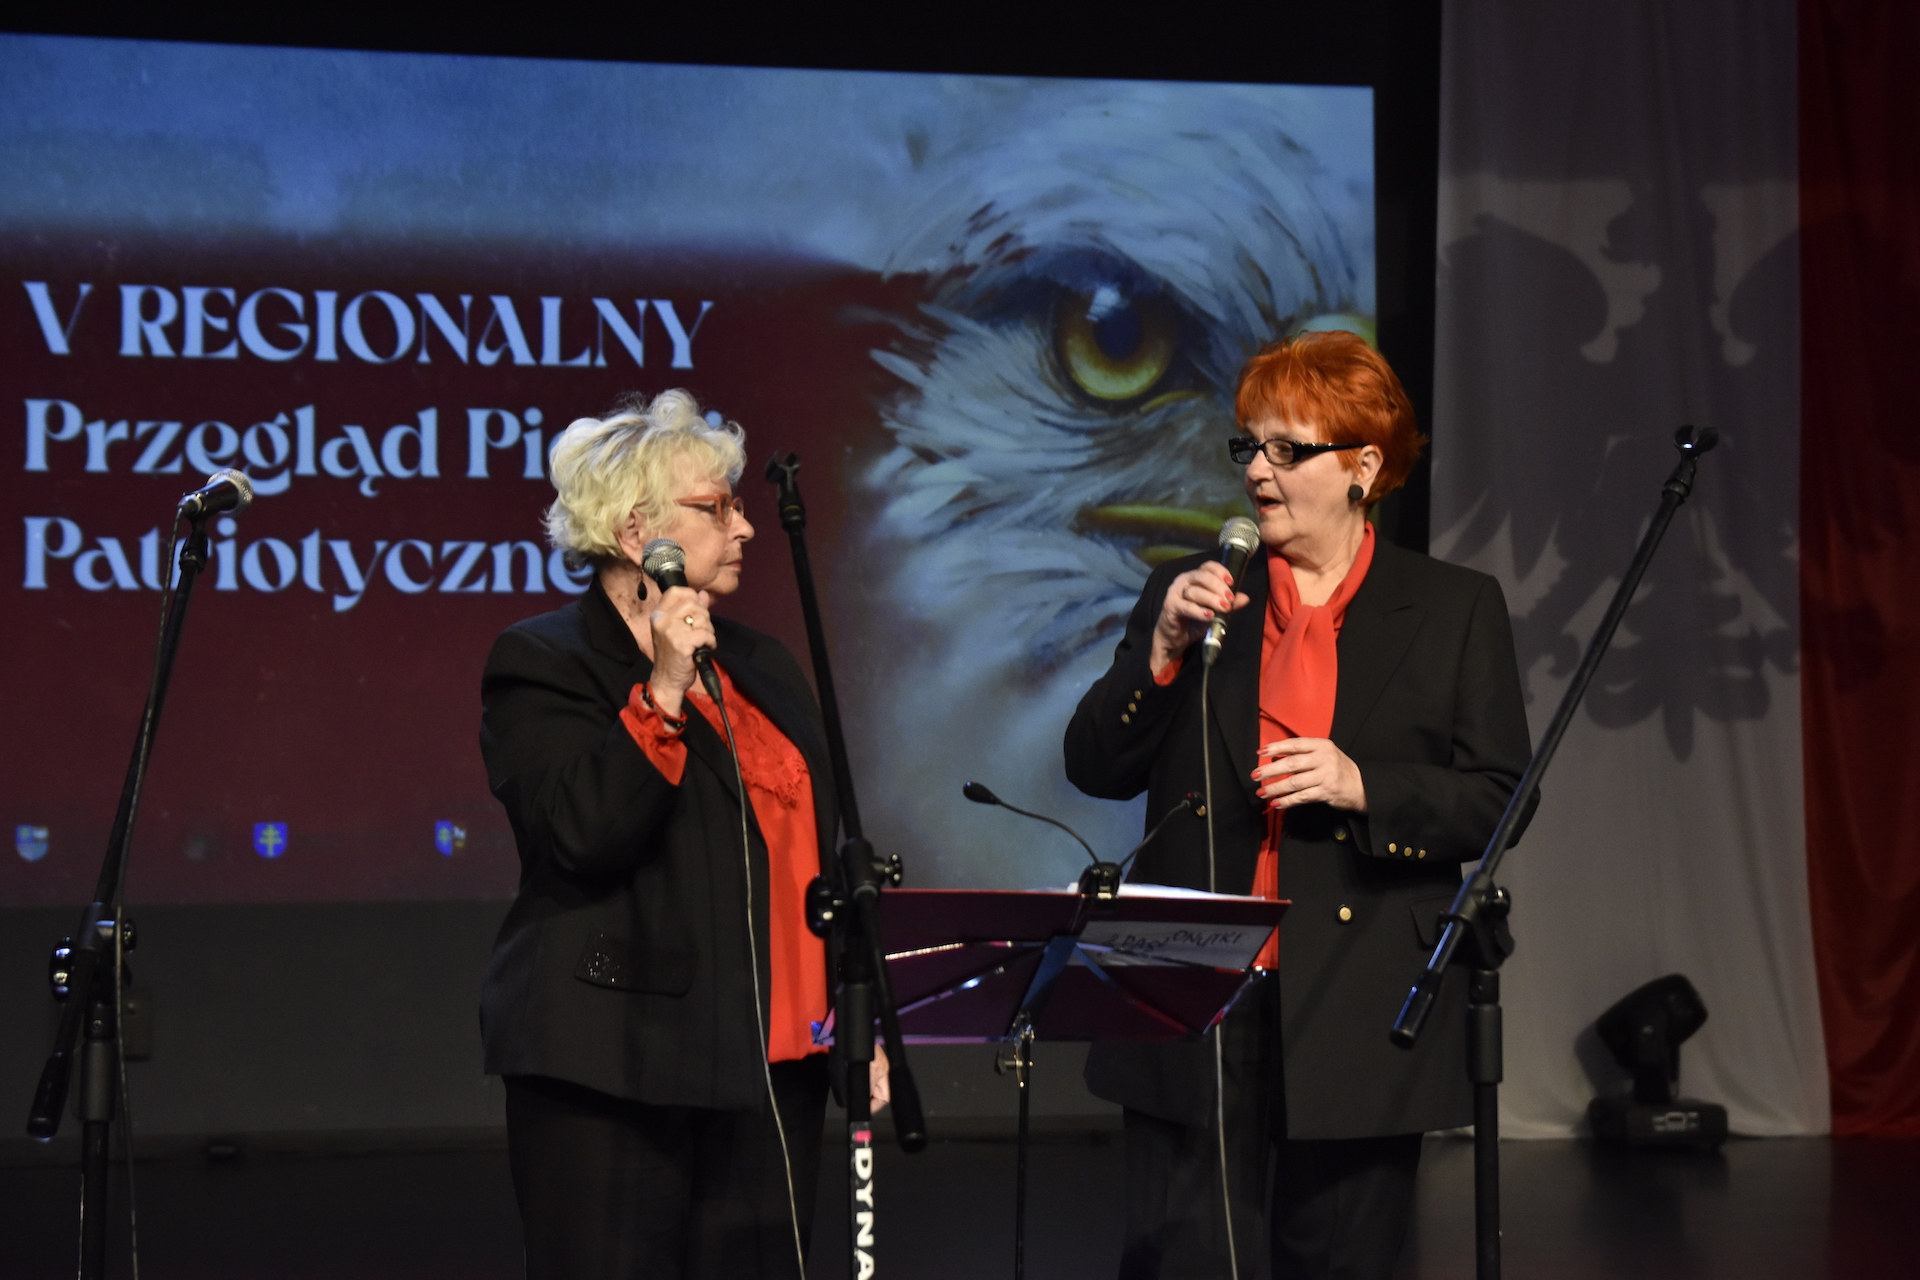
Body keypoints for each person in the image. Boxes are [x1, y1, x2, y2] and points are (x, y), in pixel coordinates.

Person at [1064, 331, 1535, 1280]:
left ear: (1364, 467)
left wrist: (1364, 786)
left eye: (1288, 449)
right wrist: (1160, 651)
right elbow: (1096, 765)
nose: (1257, 471)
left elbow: (1501, 798)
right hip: (1190, 987)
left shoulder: (1453, 607)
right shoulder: (1194, 592)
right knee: (1183, 1259)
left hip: (1354, 994)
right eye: (1249, 445)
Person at [477, 389, 884, 1280]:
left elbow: (808, 856)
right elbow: (581, 832)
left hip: (773, 1065)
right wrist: (662, 691)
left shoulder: (762, 664)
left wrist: (856, 1012)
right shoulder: (542, 662)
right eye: (717, 507)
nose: (745, 527)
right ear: (637, 534)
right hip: (617, 1065)